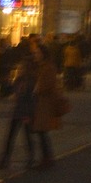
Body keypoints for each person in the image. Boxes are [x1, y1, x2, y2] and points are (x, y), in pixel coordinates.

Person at [0, 46, 38, 168]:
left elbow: (32, 98)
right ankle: (5, 159)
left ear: (27, 68)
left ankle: (30, 157)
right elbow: (9, 91)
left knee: (27, 136)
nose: (19, 70)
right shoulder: (19, 79)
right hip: (17, 111)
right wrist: (6, 82)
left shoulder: (31, 81)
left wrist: (29, 114)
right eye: (19, 68)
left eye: (21, 68)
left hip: (25, 112)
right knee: (11, 136)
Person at [30, 39, 66, 167]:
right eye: (35, 53)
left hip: (45, 104)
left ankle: (47, 158)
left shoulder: (48, 67)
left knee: (42, 131)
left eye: (37, 53)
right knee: (41, 132)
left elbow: (47, 84)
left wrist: (36, 89)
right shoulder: (41, 66)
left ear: (43, 54)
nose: (35, 55)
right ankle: (47, 157)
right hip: (41, 103)